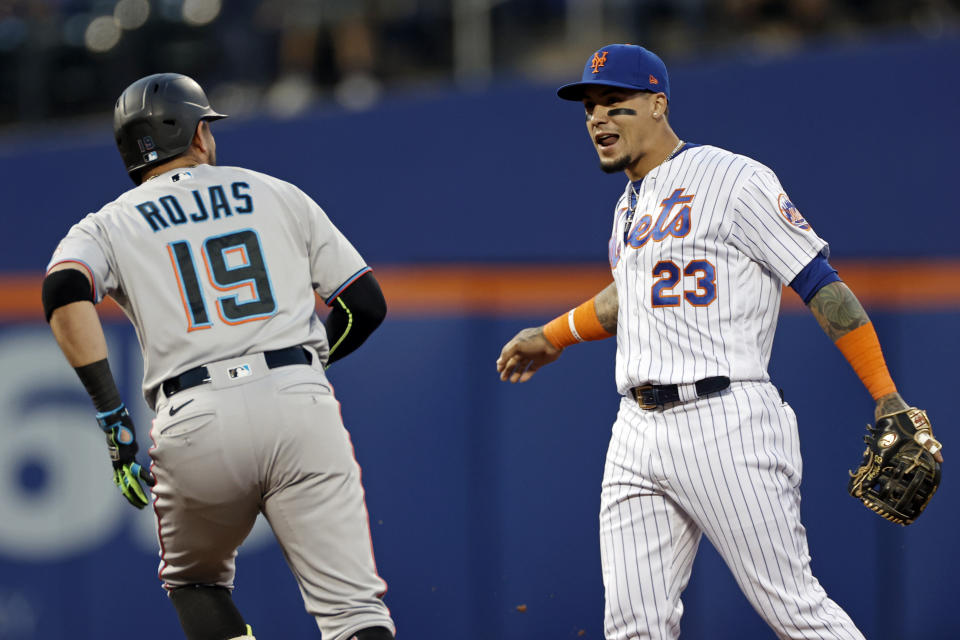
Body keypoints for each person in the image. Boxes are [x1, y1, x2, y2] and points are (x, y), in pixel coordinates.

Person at [496, 44, 943, 640]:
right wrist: (553, 336)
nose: (598, 118)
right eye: (589, 107)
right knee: (633, 627)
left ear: (658, 105)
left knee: (794, 610)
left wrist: (886, 396)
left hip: (724, 420)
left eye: (615, 103)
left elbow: (820, 286)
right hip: (635, 429)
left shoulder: (734, 178)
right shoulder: (628, 205)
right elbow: (627, 297)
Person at [42, 73, 396, 640]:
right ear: (199, 132)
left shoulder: (108, 223)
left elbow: (63, 292)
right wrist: (304, 370)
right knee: (354, 613)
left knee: (196, 583)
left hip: (194, 413)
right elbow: (365, 306)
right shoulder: (275, 191)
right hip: (298, 399)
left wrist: (114, 420)